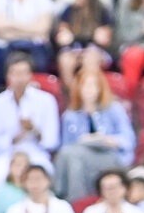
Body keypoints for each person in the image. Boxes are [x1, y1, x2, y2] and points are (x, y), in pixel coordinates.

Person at [53, 68, 136, 204]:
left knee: (73, 156)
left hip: (110, 155)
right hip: (81, 157)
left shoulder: (114, 108)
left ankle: (65, 196)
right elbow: (66, 146)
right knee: (70, 157)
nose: (89, 90)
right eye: (85, 85)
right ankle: (77, 201)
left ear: (100, 88)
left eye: (93, 85)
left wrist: (107, 140)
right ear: (78, 88)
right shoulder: (70, 115)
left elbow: (129, 140)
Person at [0, 51, 61, 188]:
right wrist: (15, 137)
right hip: (7, 154)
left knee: (45, 169)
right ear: (8, 76)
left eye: (23, 73)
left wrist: (34, 130)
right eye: (15, 73)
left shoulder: (46, 101)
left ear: (30, 75)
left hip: (35, 152)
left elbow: (51, 142)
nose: (19, 78)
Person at [54, 0, 114, 91]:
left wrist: (94, 37)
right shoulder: (69, 10)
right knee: (65, 60)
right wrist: (67, 36)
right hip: (73, 48)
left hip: (95, 50)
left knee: (90, 58)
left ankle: (89, 91)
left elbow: (105, 39)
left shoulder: (102, 11)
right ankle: (72, 93)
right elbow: (62, 35)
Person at [114, 0, 144, 97]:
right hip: (132, 46)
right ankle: (129, 99)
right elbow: (122, 35)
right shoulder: (126, 0)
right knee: (134, 56)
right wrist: (141, 29)